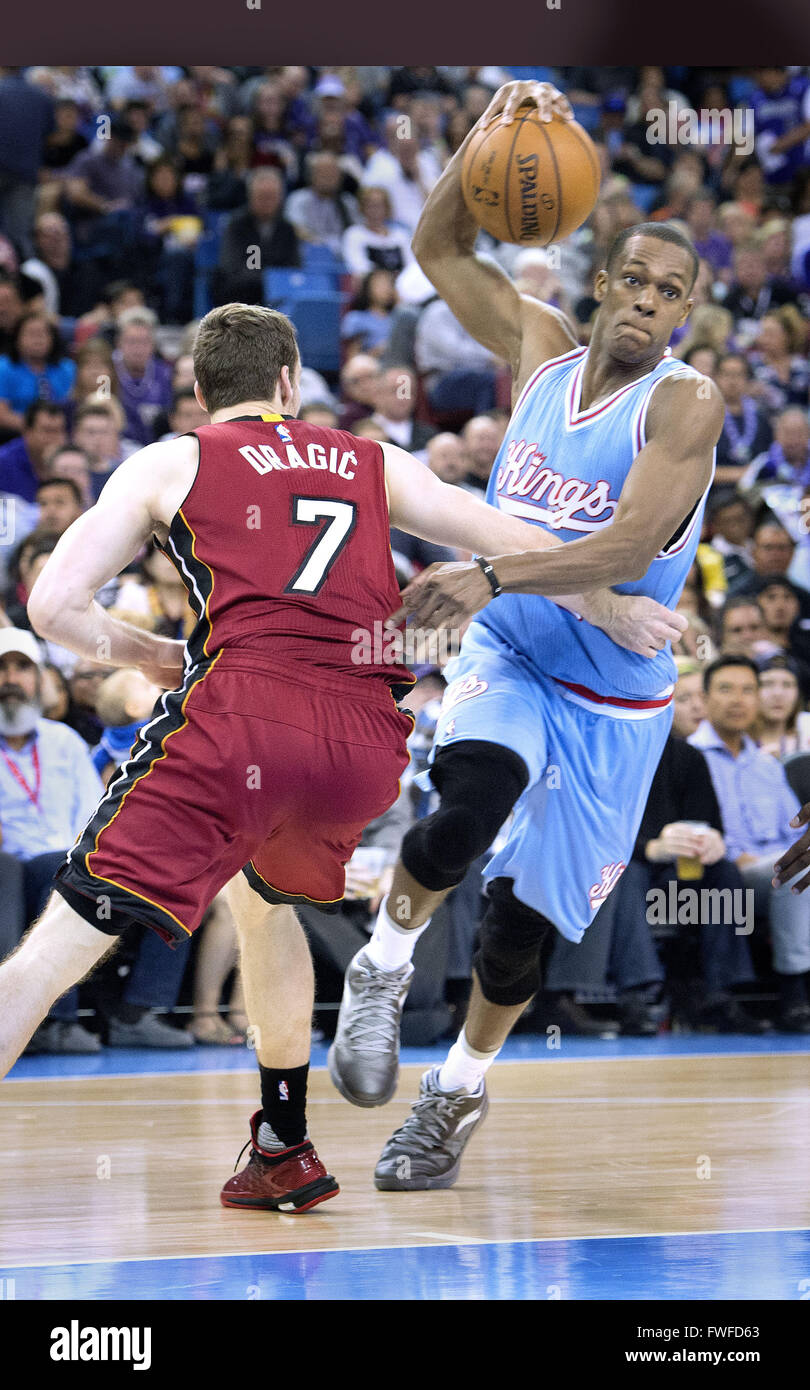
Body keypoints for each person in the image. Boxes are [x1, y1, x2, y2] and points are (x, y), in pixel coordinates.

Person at [0, 300, 677, 1214]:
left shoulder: (175, 457)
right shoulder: (368, 457)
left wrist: (160, 658)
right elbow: (503, 535)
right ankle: (283, 1147)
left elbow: (52, 608)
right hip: (361, 742)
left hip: (242, 713)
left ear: (200, 394)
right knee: (265, 907)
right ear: (290, 384)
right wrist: (609, 603)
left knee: (52, 950)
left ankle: (283, 1136)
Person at [328, 77, 723, 1192]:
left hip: (618, 702)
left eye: (670, 292)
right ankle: (385, 963)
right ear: (604, 285)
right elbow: (438, 237)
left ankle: (452, 1093)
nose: (647, 301)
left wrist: (491, 568)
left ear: (685, 314)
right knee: (468, 806)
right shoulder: (542, 348)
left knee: (516, 933)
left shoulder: (686, 406)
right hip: (514, 655)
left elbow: (625, 548)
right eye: (634, 279)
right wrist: (493, 133)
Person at [690, 655, 810, 1031]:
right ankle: (794, 990)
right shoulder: (689, 758)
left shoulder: (767, 765)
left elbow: (794, 834)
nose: (738, 699)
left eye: (747, 690)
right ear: (705, 699)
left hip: (773, 868)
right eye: (726, 689)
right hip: (718, 872)